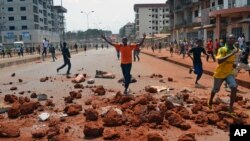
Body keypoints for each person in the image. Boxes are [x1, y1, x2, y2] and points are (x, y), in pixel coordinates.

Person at [208, 34, 238, 113]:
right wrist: (231, 54)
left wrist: (233, 64)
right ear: (227, 40)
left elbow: (234, 59)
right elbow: (219, 61)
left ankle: (230, 108)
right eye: (230, 38)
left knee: (234, 87)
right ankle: (210, 101)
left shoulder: (235, 49)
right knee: (215, 90)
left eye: (233, 38)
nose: (232, 40)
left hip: (229, 72)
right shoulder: (222, 49)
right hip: (220, 73)